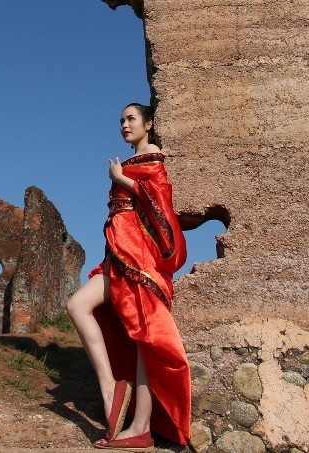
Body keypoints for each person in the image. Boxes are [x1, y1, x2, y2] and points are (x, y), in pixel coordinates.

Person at [65, 103, 191, 451]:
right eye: (121, 120)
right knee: (78, 305)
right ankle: (110, 387)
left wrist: (123, 182)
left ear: (148, 125)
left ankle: (141, 428)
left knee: (145, 339)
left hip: (138, 256)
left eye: (131, 119)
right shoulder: (134, 159)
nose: (124, 125)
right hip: (118, 253)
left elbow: (160, 200)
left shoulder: (151, 156)